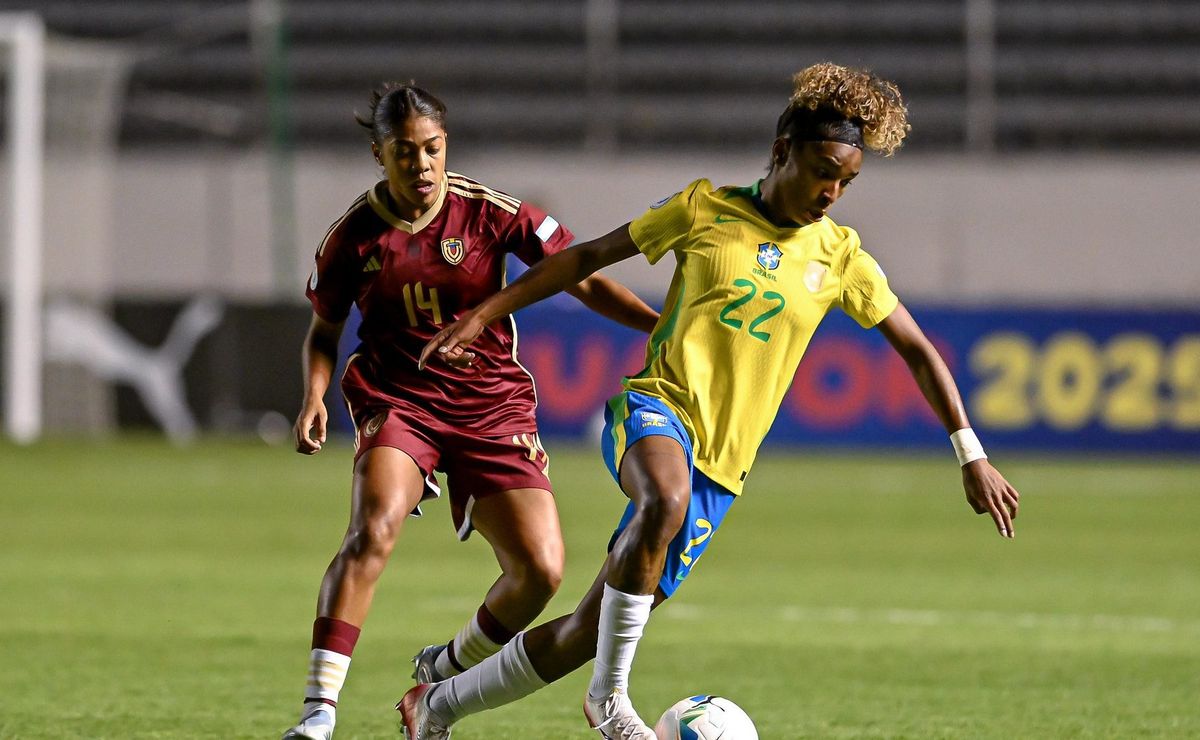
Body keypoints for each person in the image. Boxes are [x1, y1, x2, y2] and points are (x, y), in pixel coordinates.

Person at [397, 62, 1022, 740]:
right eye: (822, 170)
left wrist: (970, 451)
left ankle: (435, 705)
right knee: (660, 499)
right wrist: (485, 314)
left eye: (846, 180)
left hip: (722, 473)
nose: (832, 191)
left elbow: (919, 351)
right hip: (655, 412)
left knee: (585, 629)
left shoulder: (840, 256)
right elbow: (585, 259)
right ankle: (609, 702)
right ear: (782, 152)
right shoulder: (703, 209)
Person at [280, 82, 659, 740]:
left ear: (445, 146)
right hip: (400, 399)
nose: (422, 165)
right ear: (379, 154)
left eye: (432, 149)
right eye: (405, 152)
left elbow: (583, 273)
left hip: (490, 404)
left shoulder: (488, 213)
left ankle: (442, 670)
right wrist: (314, 394)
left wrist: (658, 327)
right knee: (374, 529)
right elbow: (323, 330)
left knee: (540, 570)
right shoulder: (353, 238)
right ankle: (318, 715)